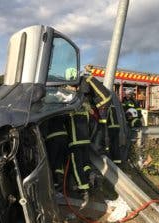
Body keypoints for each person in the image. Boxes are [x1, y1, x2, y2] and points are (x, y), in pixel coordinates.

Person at [65, 73, 111, 206]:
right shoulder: (84, 105)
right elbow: (90, 120)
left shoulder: (70, 103)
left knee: (76, 164)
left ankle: (83, 189)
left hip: (75, 141)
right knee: (85, 163)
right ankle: (92, 177)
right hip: (85, 141)